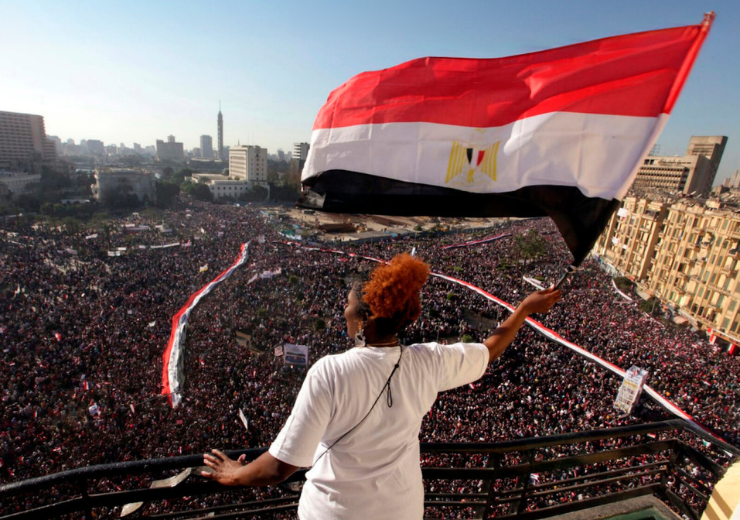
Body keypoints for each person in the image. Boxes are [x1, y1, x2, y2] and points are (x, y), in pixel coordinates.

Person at [202, 253, 561, 519]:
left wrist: (235, 474)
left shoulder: (330, 372)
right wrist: (524, 310)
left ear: (365, 318)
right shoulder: (429, 361)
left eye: (348, 304)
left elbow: (279, 468)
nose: (343, 309)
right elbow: (489, 349)